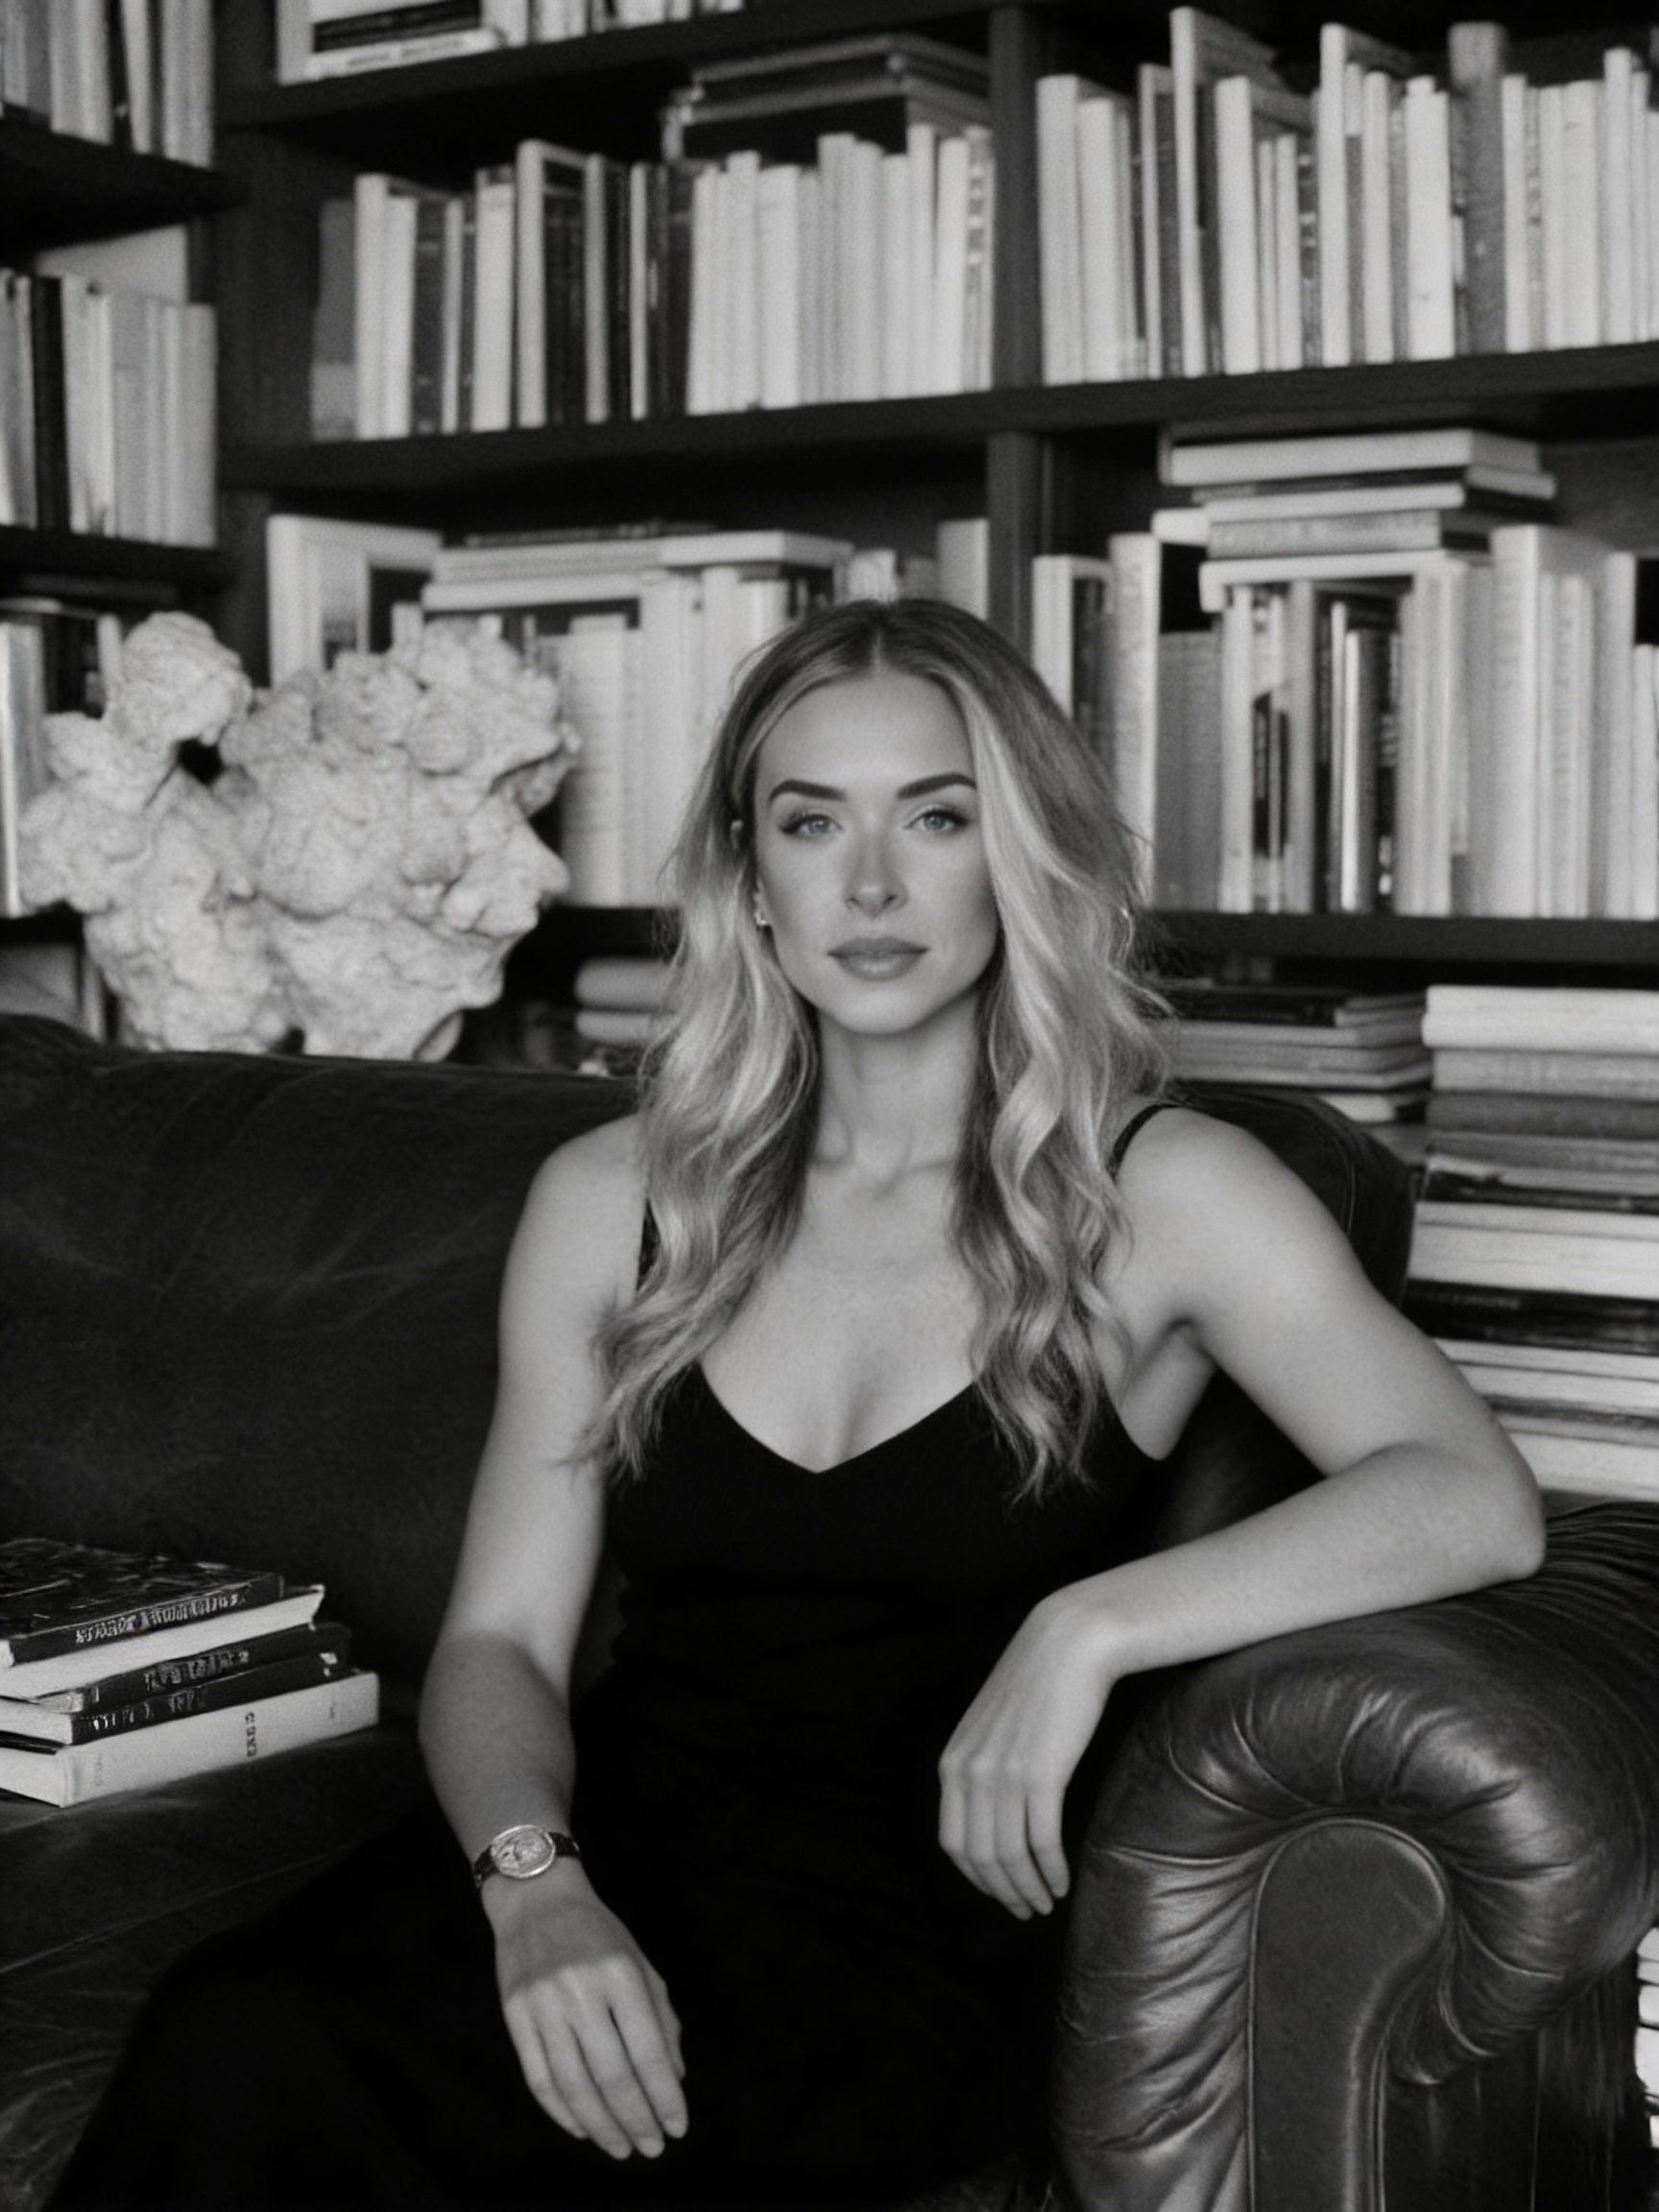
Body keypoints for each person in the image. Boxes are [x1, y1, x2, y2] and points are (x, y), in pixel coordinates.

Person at [51, 597, 1545, 2212]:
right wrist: (535, 1892)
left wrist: (1088, 1630)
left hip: (910, 1941)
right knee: (242, 2034)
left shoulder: (1161, 1194)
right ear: (750, 879)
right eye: (812, 821)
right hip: (607, 1844)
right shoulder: (614, 1198)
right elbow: (498, 1648)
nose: (876, 884)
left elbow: (1474, 1492)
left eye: (939, 816)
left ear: (1019, 855)